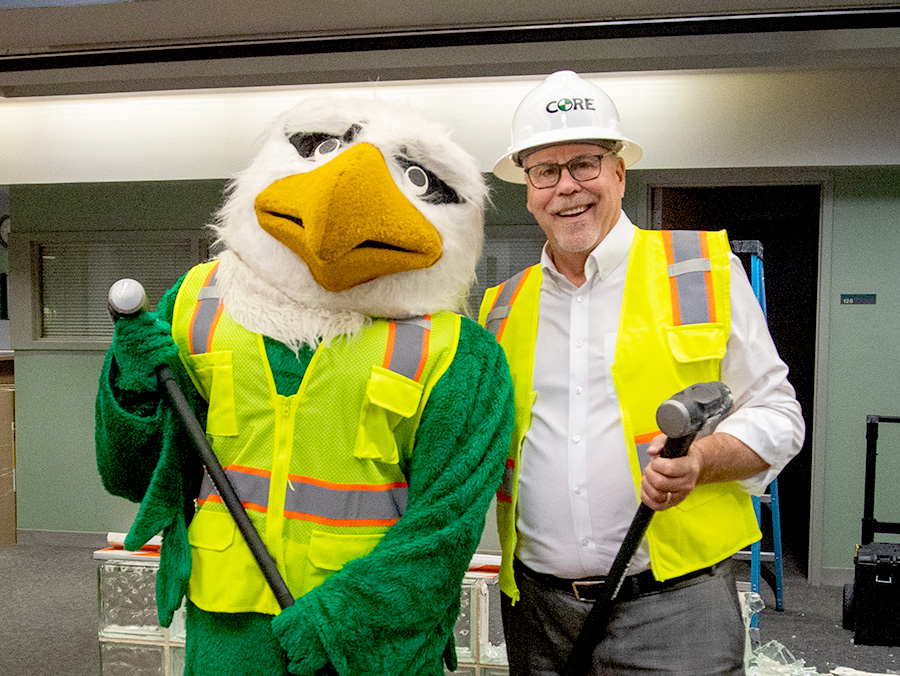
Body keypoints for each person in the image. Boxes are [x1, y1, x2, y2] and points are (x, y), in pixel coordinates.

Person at [479, 70, 805, 676]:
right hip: (537, 611)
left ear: (619, 173)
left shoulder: (698, 271)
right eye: (544, 171)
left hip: (673, 606)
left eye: (584, 164)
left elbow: (780, 417)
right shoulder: (501, 305)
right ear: (526, 187)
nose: (566, 187)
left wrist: (703, 461)